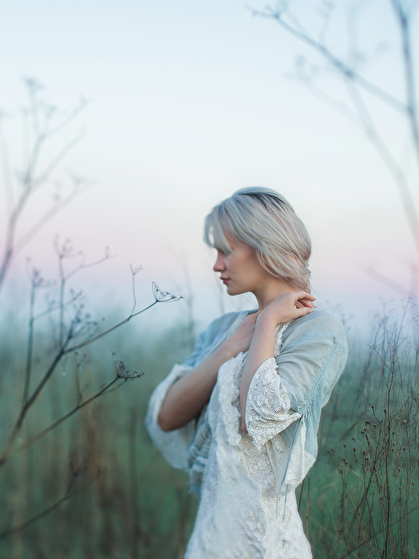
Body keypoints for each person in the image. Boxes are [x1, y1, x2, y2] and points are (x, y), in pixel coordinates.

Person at [146, 187, 348, 559]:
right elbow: (167, 416)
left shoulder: (318, 331)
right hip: (210, 538)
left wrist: (268, 322)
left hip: (265, 544)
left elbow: (256, 419)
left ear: (264, 247)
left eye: (226, 251)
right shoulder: (222, 329)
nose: (217, 265)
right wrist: (228, 347)